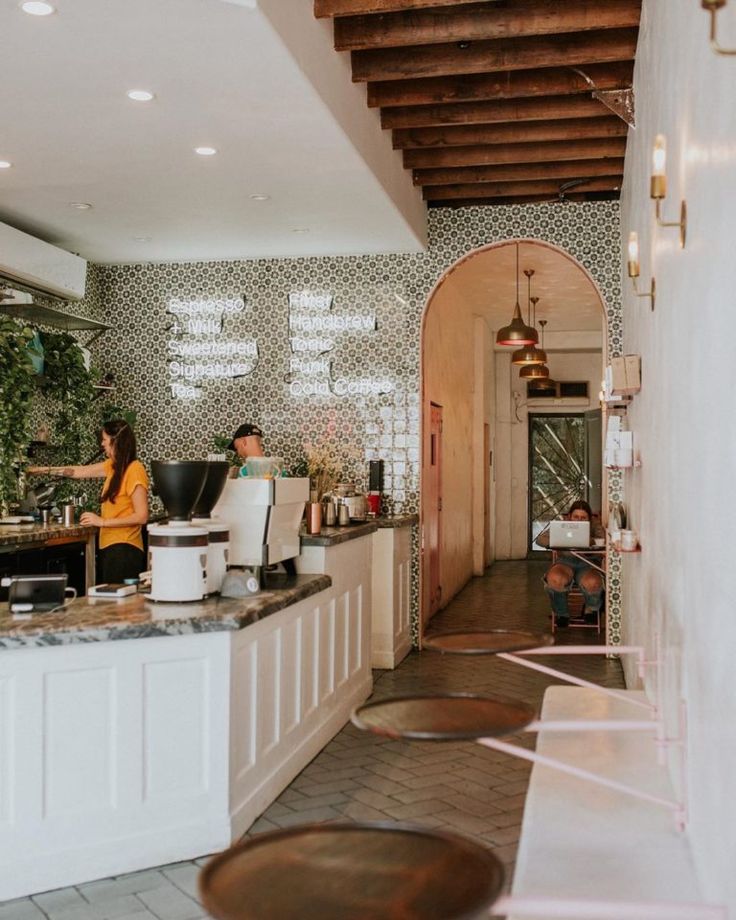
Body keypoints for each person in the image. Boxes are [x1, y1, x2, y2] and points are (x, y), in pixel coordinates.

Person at [28, 420, 149, 583]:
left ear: (116, 441)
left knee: (119, 606)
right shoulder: (113, 466)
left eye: (105, 439)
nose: (102, 443)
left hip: (125, 548)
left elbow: (142, 516)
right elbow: (78, 471)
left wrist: (102, 521)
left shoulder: (135, 469)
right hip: (110, 547)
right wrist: (39, 471)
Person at [537, 499, 605, 628]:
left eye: (583, 518)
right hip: (565, 562)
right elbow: (540, 539)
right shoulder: (562, 525)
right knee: (556, 579)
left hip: (588, 563)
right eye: (576, 517)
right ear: (569, 516)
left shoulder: (595, 526)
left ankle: (591, 609)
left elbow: (601, 541)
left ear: (589, 519)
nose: (579, 520)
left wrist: (587, 540)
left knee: (594, 582)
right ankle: (562, 614)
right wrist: (558, 541)